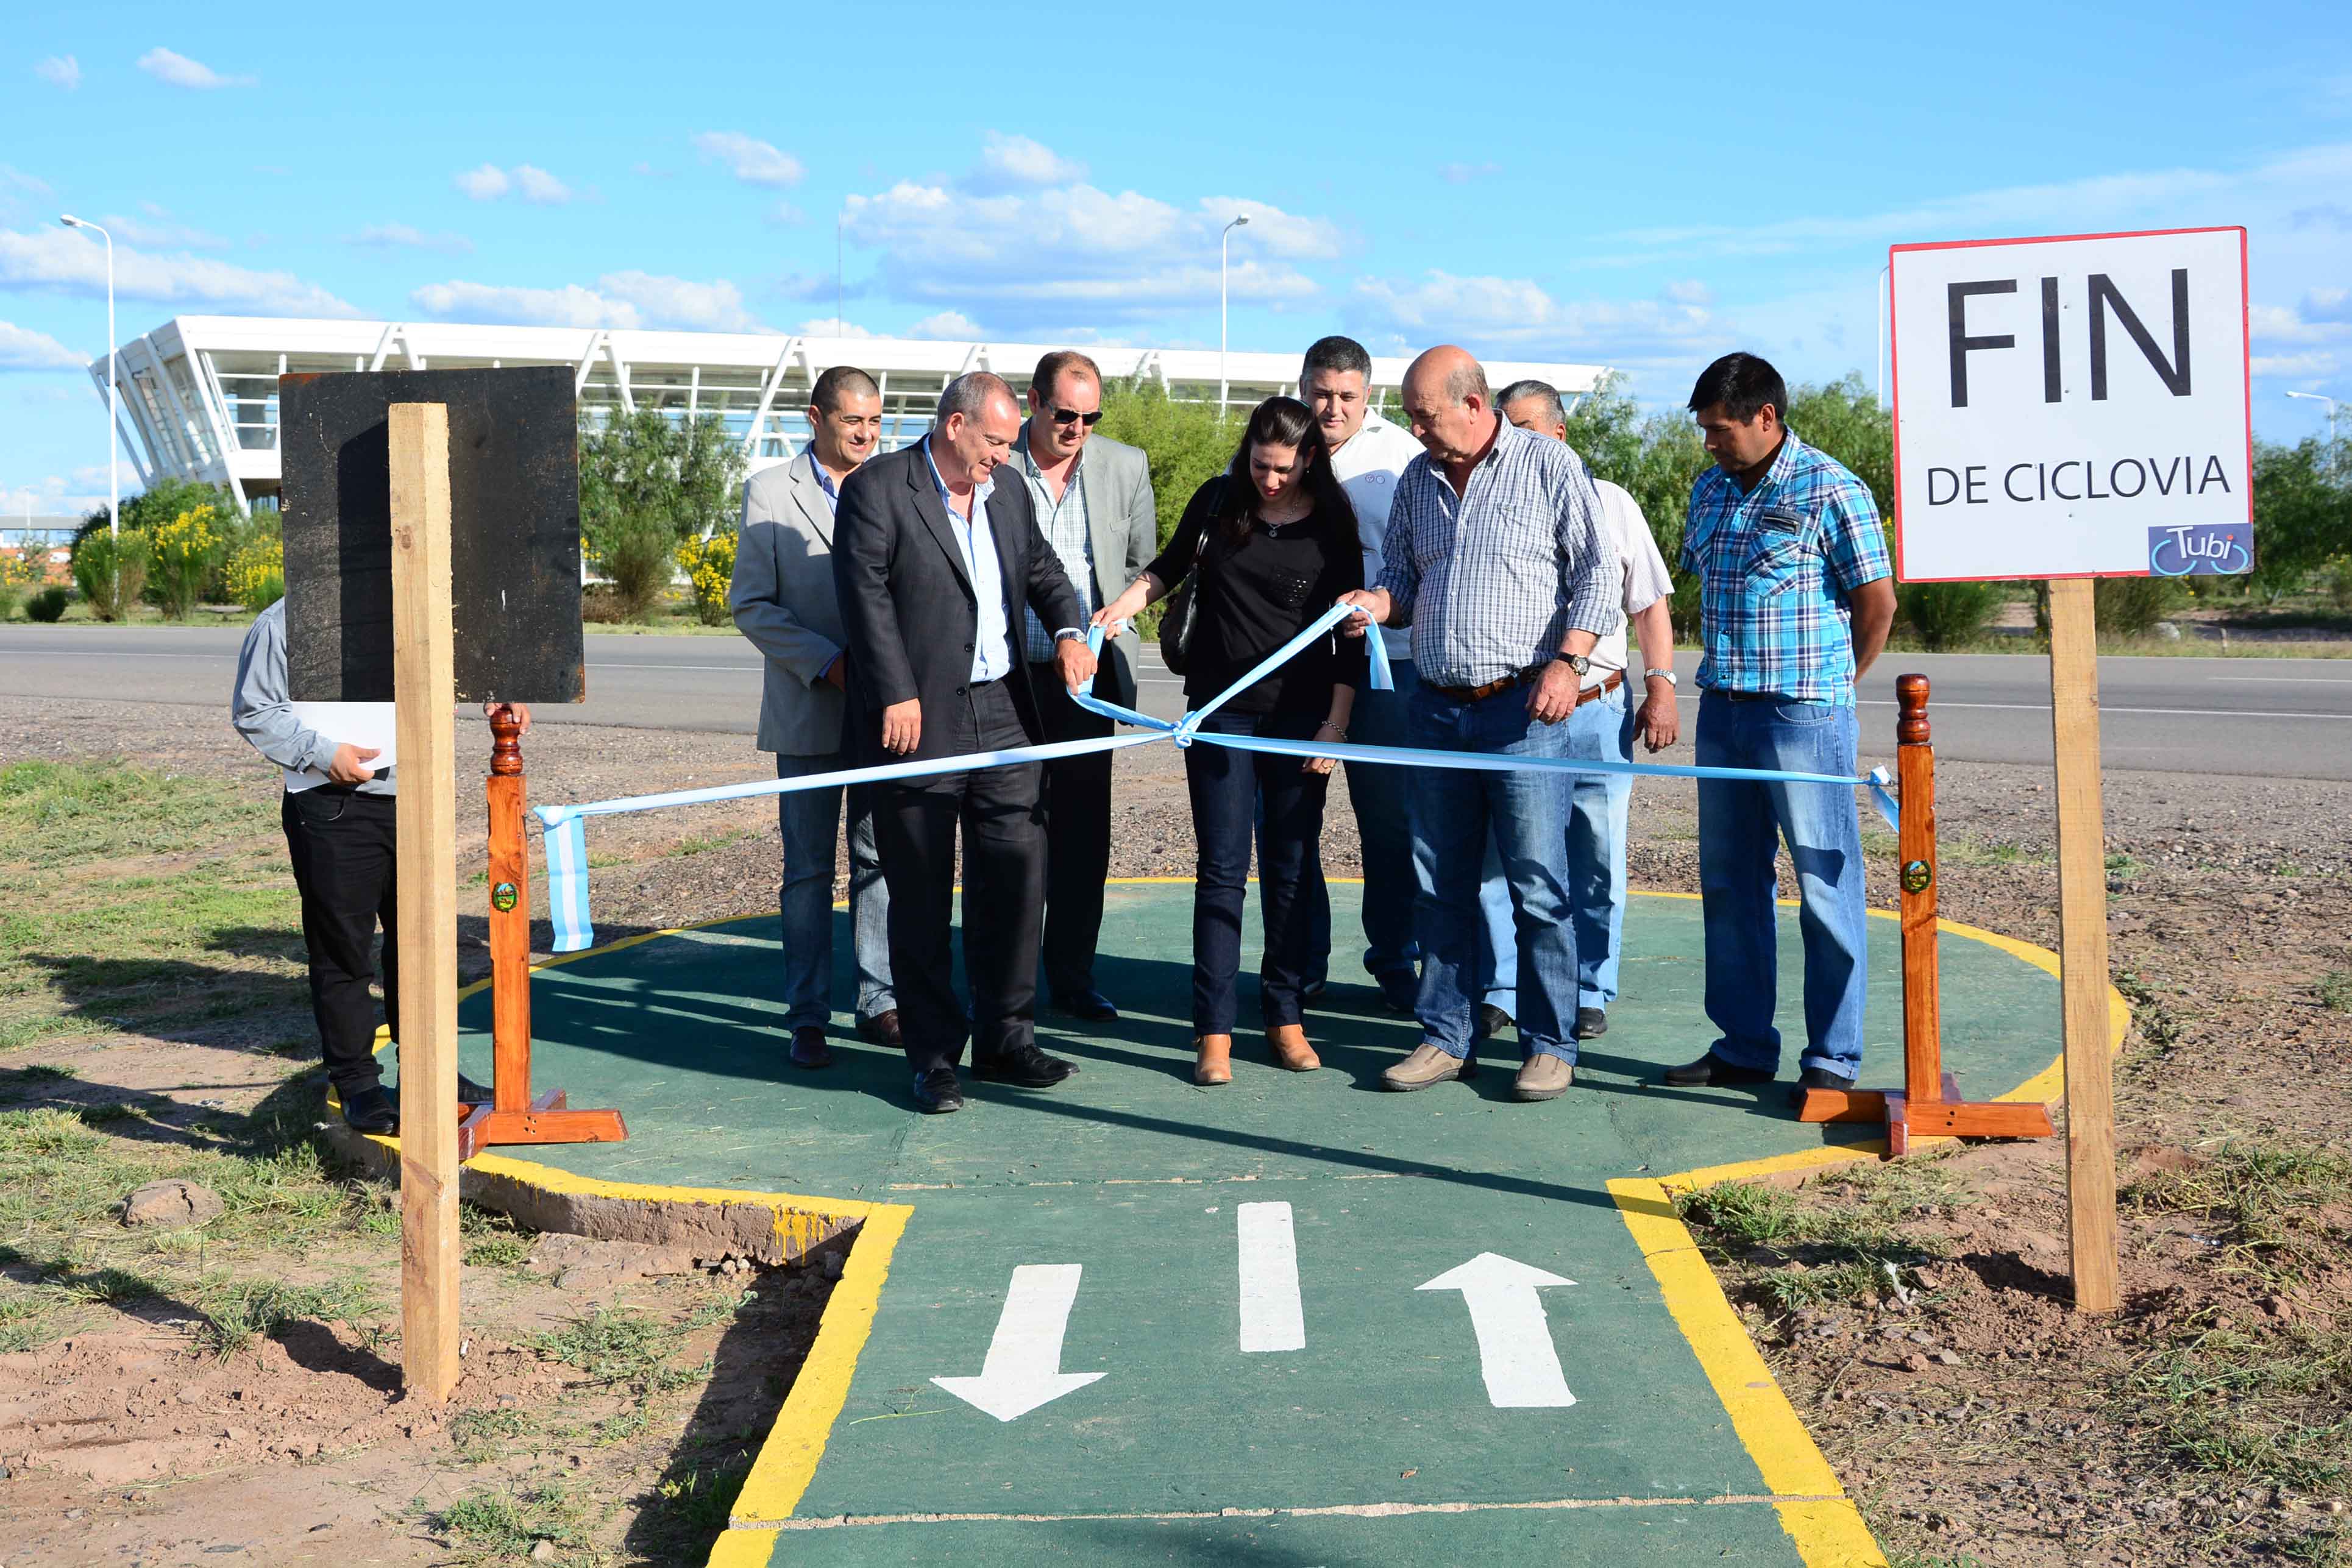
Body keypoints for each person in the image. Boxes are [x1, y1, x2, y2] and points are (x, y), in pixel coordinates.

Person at [1338, 347, 1620, 1104]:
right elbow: (1401, 576)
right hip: (1432, 706)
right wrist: (1375, 602)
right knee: (1440, 883)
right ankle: (1444, 1035)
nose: (1417, 429)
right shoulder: (1416, 481)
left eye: (1425, 415)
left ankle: (1550, 1044)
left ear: (1472, 402)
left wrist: (1569, 662)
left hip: (1523, 709)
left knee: (1537, 882)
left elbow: (1599, 574)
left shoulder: (1548, 467)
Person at [833, 371, 1097, 1114]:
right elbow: (865, 596)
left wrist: (1072, 629)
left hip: (1005, 712)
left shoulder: (1006, 491)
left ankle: (1007, 1037)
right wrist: (895, 690)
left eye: (1011, 445)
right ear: (954, 425)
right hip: (917, 718)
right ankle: (933, 1058)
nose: (1004, 458)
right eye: (994, 442)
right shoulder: (880, 490)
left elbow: (1043, 569)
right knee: (918, 891)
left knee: (1017, 879)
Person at [1095, 398, 1363, 1086]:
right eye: (1258, 464)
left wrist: (1335, 724)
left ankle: (1285, 1016)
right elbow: (1169, 567)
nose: (1268, 479)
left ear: (1309, 460)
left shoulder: (1333, 521)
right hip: (1219, 710)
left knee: (1291, 869)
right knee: (1220, 870)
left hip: (1299, 720)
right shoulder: (1219, 501)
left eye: (1282, 469)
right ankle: (1212, 1030)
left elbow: (1347, 639)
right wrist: (1119, 609)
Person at [1661, 352, 1894, 1102]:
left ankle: (1833, 1057)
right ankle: (1743, 1043)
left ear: (1766, 417)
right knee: (1730, 884)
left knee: (1824, 884)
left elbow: (1877, 603)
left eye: (1721, 429)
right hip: (1724, 710)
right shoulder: (1710, 488)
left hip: (1802, 714)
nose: (1710, 444)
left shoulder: (1831, 488)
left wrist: (1833, 687)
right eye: (1704, 430)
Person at [231, 597, 524, 1132]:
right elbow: (255, 710)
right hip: (334, 805)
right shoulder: (283, 623)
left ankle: (429, 1072)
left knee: (421, 942)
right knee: (344, 951)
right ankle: (359, 1083)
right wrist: (322, 753)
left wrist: (494, 691)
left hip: (417, 795)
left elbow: (461, 662)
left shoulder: (420, 600)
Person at [1287, 335, 1508, 1022]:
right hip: (1298, 666)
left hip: (1389, 665)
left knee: (1390, 826)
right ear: (1302, 387)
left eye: (1347, 396)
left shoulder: (1401, 455)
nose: (1332, 407)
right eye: (1321, 392)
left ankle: (1393, 957)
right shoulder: (1278, 445)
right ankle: (1301, 963)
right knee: (1293, 824)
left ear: (1368, 395)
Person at [1498, 378, 1680, 1041]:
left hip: (1597, 707)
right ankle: (1502, 987)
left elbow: (1648, 603)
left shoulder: (1610, 503)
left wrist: (1661, 684)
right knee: (1506, 858)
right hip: (1517, 709)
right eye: (1504, 427)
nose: (1513, 441)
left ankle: (1589, 985)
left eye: (1525, 427)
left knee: (1596, 853)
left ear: (1560, 433)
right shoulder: (1489, 504)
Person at [730, 364, 898, 1071]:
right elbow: (751, 604)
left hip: (885, 712)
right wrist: (828, 662)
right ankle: (807, 1016)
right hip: (808, 711)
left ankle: (880, 999)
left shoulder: (893, 485)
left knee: (878, 861)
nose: (865, 434)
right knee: (806, 872)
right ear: (815, 417)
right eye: (852, 421)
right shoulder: (770, 492)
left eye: (875, 422)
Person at [1011, 350, 1158, 1024]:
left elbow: (1141, 566)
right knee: (1011, 834)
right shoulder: (994, 460)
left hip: (1087, 686)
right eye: (1065, 414)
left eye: (1090, 416)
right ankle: (1007, 983)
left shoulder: (1124, 465)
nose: (1077, 428)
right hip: (1007, 680)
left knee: (1080, 836)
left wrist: (1111, 623)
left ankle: (1072, 977)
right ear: (1033, 402)